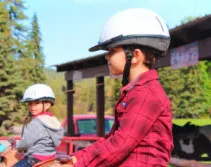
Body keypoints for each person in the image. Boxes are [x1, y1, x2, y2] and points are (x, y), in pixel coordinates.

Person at [60, 8, 174, 167]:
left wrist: (78, 164)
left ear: (134, 56)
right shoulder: (135, 91)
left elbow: (121, 144)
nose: (107, 56)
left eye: (112, 51)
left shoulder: (147, 94)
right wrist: (77, 158)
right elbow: (112, 139)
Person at [13, 83, 64, 167]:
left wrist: (17, 146)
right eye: (30, 103)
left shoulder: (37, 122)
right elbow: (57, 142)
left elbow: (25, 143)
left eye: (36, 103)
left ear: (47, 105)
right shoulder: (53, 121)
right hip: (50, 158)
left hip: (34, 159)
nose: (32, 107)